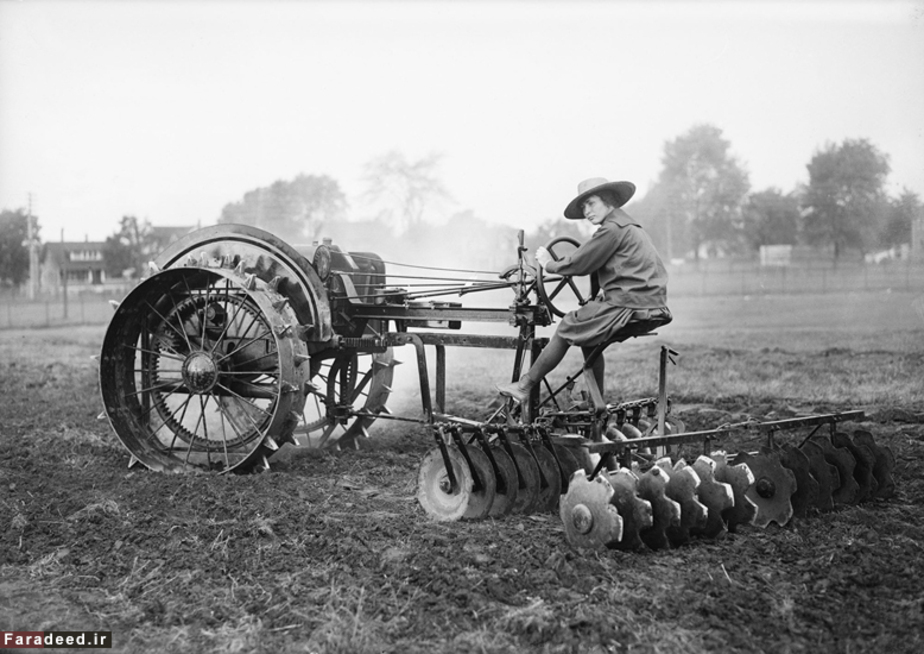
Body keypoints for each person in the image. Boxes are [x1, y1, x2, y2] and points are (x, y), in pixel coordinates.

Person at [495, 177, 671, 403]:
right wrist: (597, 295)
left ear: (609, 201)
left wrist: (549, 264)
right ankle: (596, 405)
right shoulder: (629, 227)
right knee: (589, 339)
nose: (587, 211)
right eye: (583, 207)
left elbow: (581, 263)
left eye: (592, 203)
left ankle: (524, 385)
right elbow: (608, 268)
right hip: (651, 305)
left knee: (568, 324)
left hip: (631, 306)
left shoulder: (612, 229)